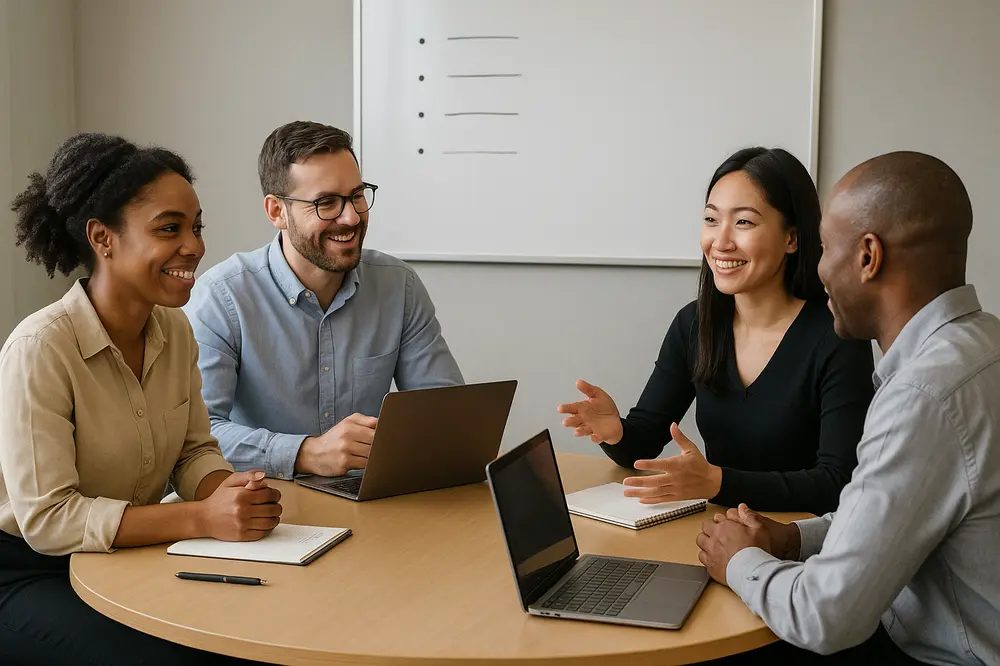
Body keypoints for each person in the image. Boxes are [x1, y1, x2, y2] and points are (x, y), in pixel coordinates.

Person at [697, 151, 1000, 664]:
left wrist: (738, 560)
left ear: (867, 257)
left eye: (824, 248)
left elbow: (825, 617)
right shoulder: (983, 343)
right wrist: (792, 538)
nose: (817, 271)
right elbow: (892, 514)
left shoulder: (923, 396)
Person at [0, 133, 282, 664]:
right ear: (102, 238)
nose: (194, 246)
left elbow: (194, 451)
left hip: (125, 558)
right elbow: (49, 520)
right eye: (169, 228)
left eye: (196, 227)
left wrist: (231, 493)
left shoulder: (175, 330)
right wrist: (202, 518)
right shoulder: (40, 348)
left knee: (251, 630)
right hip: (27, 571)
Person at [557, 148, 874, 514]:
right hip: (719, 532)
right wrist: (615, 432)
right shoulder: (694, 324)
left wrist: (718, 483)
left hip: (802, 539)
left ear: (792, 238)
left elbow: (837, 483)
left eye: (744, 222)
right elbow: (643, 444)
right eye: (711, 219)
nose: (720, 242)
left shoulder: (837, 336)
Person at [184, 121, 463, 481]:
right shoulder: (223, 297)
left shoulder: (398, 285)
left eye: (357, 195)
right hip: (267, 499)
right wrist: (306, 453)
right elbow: (197, 436)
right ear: (276, 211)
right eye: (326, 203)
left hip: (368, 497)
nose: (351, 217)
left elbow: (445, 414)